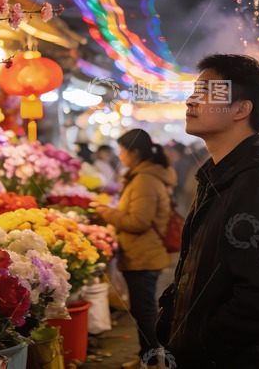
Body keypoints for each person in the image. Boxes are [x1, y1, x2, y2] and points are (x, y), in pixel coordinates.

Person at [156, 54, 259, 369]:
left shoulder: (257, 185)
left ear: (241, 109)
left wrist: (201, 344)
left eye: (206, 92)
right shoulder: (220, 177)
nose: (191, 100)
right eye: (194, 91)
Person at [95, 129, 177, 369]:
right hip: (141, 252)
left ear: (136, 153)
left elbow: (139, 222)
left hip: (144, 254)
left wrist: (106, 213)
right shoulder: (141, 176)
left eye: (123, 151)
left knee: (145, 310)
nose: (120, 156)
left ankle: (150, 361)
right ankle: (146, 357)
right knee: (142, 309)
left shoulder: (145, 180)